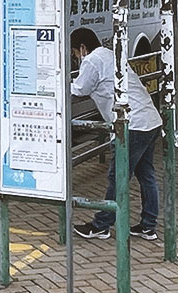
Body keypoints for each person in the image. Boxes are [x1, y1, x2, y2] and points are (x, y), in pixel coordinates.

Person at [70, 27, 164, 241]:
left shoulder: (92, 60)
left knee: (117, 176)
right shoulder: (109, 54)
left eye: (75, 52)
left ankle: (102, 224)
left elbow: (79, 89)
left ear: (82, 47)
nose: (75, 57)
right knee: (146, 174)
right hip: (149, 119)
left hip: (132, 124)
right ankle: (148, 225)